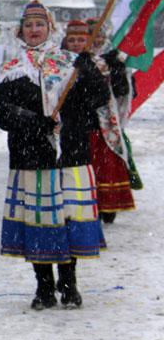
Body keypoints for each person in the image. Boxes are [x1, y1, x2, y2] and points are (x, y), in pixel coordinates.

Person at [0, 1, 108, 310]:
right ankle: (44, 287)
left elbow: (98, 97)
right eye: (28, 25)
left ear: (50, 29)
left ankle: (69, 286)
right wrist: (32, 121)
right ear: (20, 31)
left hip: (70, 154)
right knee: (40, 223)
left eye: (39, 25)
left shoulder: (71, 64)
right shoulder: (13, 70)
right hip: (32, 158)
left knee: (67, 221)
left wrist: (90, 70)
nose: (34, 30)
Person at [61, 19, 137, 223]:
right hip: (72, 126)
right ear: (65, 41)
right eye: (72, 39)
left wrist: (119, 70)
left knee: (104, 167)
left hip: (100, 124)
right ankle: (81, 205)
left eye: (81, 39)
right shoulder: (60, 63)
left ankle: (107, 205)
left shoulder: (102, 62)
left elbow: (119, 91)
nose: (76, 43)